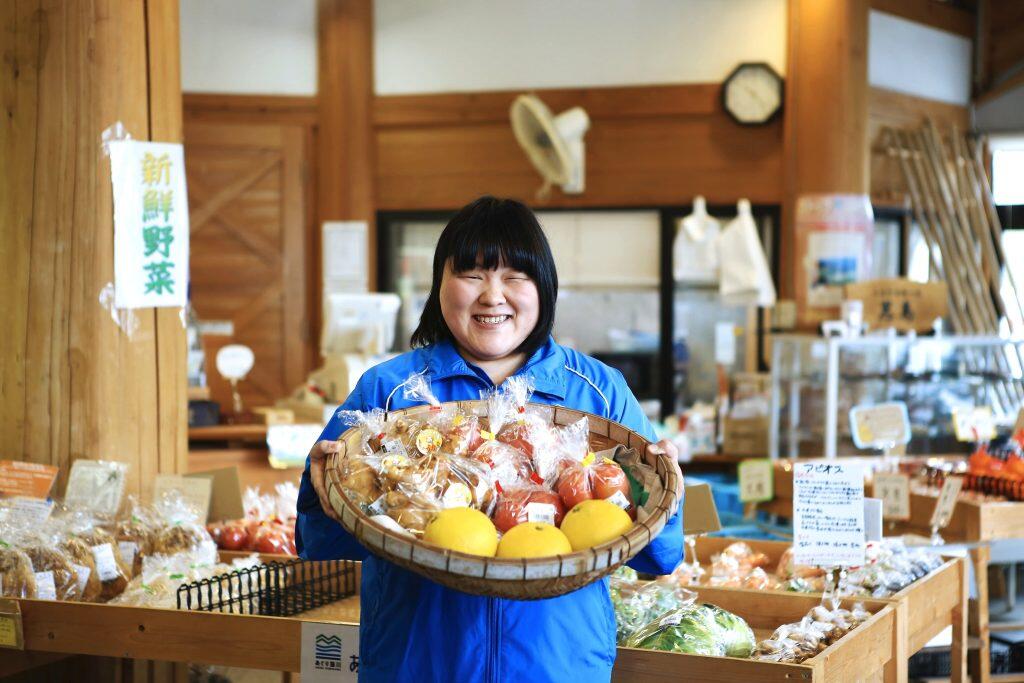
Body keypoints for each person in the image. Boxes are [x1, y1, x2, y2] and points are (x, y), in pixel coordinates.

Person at [298, 196, 684, 682]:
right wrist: (325, 486)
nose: (492, 296)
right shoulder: (389, 391)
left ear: (543, 288)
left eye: (515, 276)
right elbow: (318, 542)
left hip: (556, 665)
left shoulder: (598, 391)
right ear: (440, 284)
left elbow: (658, 555)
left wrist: (665, 489)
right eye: (472, 274)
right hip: (418, 664)